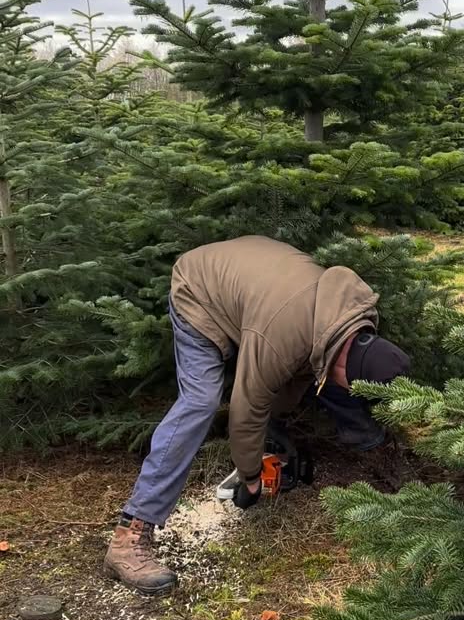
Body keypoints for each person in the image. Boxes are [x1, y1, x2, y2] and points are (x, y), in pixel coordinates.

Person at [104, 236, 411, 595]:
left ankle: (374, 453)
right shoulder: (280, 337)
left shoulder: (353, 318)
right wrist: (251, 477)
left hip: (254, 282)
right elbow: (246, 408)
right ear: (346, 363)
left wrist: (273, 430)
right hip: (198, 288)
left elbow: (295, 379)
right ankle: (131, 534)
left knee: (314, 381)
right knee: (200, 401)